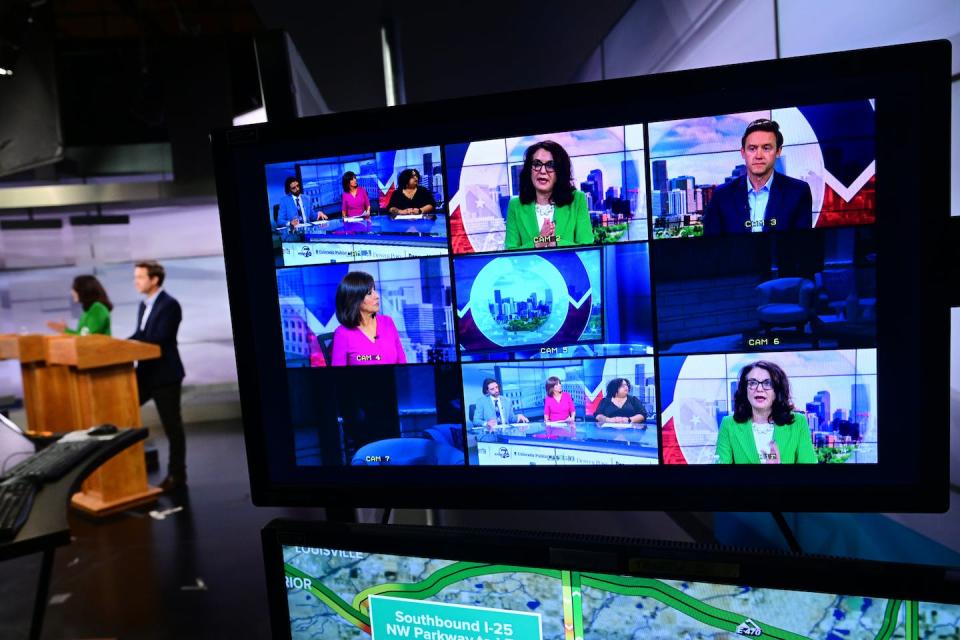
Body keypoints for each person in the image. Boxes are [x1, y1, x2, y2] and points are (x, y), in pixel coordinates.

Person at [130, 261, 188, 491]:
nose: (136, 281)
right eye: (135, 277)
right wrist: (119, 345)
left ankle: (177, 475)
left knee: (172, 427)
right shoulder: (144, 305)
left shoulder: (170, 305)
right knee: (122, 411)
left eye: (140, 277)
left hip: (165, 375)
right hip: (144, 373)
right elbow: (140, 334)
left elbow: (160, 339)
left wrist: (133, 343)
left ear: (154, 280)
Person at [702, 119, 813, 235]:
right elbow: (711, 246)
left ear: (778, 151)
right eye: (752, 148)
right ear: (743, 153)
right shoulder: (721, 195)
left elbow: (802, 245)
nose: (758, 156)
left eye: (766, 148)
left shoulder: (798, 192)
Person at [715, 360, 817, 464]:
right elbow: (719, 476)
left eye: (767, 383)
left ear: (777, 390)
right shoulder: (728, 424)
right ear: (745, 389)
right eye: (752, 383)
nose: (759, 389)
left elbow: (810, 476)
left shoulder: (798, 422)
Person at [505, 140, 593, 250]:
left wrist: (555, 242)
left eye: (550, 165)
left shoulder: (577, 200)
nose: (542, 171)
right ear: (529, 170)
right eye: (537, 164)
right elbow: (510, 252)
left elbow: (587, 248)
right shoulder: (515, 205)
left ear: (560, 171)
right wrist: (539, 242)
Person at [330, 271, 406, 366]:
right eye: (369, 293)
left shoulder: (387, 322)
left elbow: (402, 362)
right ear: (354, 299)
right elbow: (337, 376)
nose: (377, 296)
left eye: (375, 290)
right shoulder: (342, 333)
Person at [47, 275, 113, 336]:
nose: (72, 292)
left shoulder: (98, 309)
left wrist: (64, 331)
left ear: (85, 290)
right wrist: (65, 330)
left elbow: (87, 339)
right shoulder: (88, 311)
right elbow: (81, 335)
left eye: (74, 288)